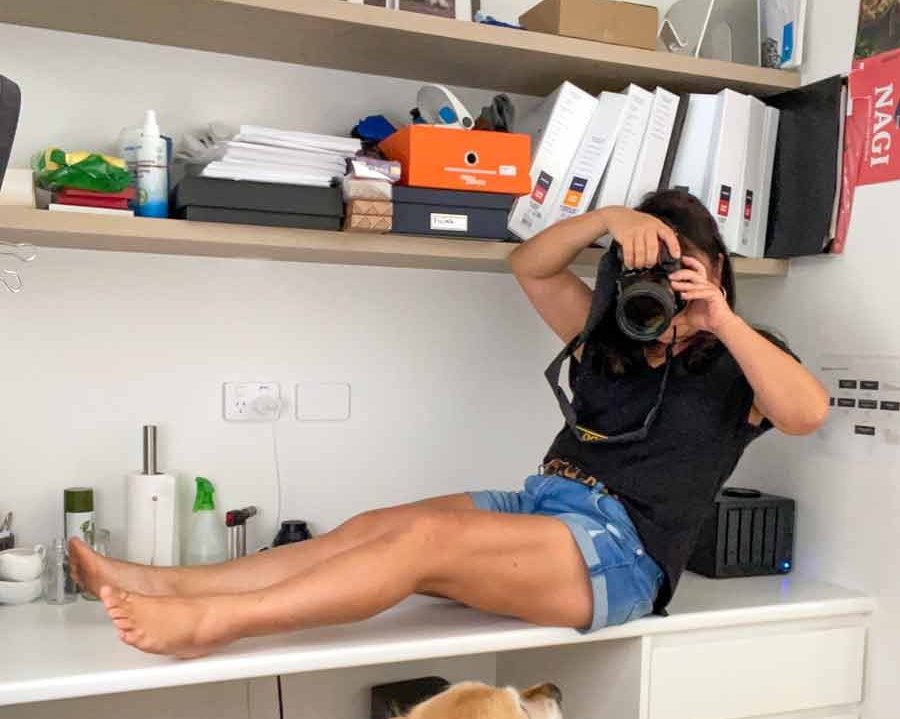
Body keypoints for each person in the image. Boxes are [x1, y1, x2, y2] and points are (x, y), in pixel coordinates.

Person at [70, 191, 828, 658]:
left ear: (714, 268)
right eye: (653, 269)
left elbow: (807, 413)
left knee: (422, 546)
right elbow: (531, 265)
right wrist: (607, 219)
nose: (668, 285)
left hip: (621, 554)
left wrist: (719, 318)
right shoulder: (612, 337)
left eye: (681, 266)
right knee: (373, 528)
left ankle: (214, 623)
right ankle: (163, 582)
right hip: (544, 506)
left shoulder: (740, 358)